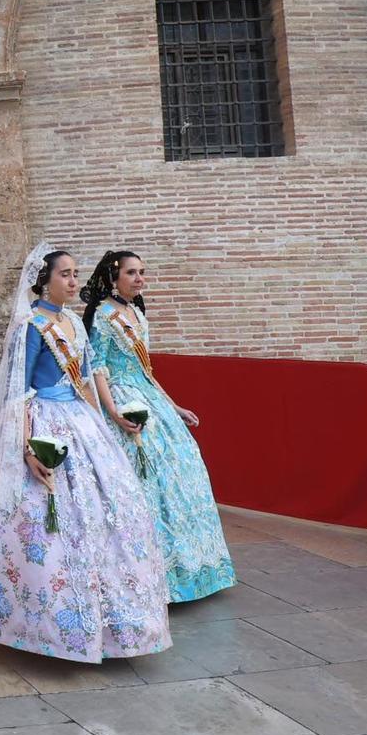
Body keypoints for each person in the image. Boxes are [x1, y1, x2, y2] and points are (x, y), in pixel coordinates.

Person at [0, 243, 170, 662]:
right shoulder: (32, 325)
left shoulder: (74, 324)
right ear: (44, 281)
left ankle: (112, 617)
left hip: (81, 421)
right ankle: (40, 619)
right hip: (43, 421)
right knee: (41, 523)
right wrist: (26, 448)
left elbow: (93, 375)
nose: (74, 281)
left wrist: (104, 421)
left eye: (76, 274)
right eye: (65, 275)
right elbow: (18, 390)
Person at [82, 250, 236, 602]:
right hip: (121, 399)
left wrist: (173, 405)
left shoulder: (135, 312)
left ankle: (192, 568)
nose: (140, 279)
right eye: (132, 273)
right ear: (113, 277)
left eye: (142, 272)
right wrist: (114, 412)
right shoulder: (104, 316)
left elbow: (146, 372)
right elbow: (98, 369)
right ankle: (145, 574)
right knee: (144, 478)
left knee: (183, 469)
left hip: (147, 397)